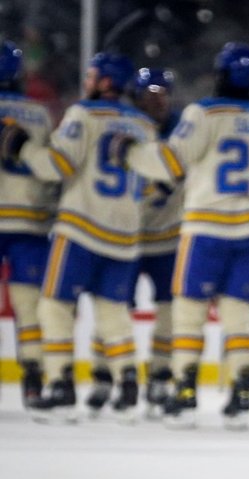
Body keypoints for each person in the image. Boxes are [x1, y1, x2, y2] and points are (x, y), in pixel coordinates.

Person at [112, 42, 249, 429]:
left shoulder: (203, 113)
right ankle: (241, 390)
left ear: (221, 73)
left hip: (206, 225)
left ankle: (185, 390)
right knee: (238, 312)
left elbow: (170, 161)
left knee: (189, 311)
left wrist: (130, 153)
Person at [1, 52, 155, 423]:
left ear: (104, 81)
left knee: (53, 306)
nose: (86, 81)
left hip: (81, 226)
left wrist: (22, 147)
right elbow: (150, 184)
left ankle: (61, 385)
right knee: (112, 310)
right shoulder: (145, 125)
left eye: (91, 76)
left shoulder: (82, 114)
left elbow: (57, 166)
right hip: (125, 232)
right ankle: (129, 382)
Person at [0, 40, 55, 407]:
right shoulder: (40, 113)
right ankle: (34, 379)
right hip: (32, 221)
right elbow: (53, 169)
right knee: (29, 306)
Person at [132, 67, 183, 418]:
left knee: (168, 315)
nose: (158, 100)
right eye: (150, 93)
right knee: (114, 311)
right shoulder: (126, 128)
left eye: (162, 93)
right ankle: (109, 378)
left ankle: (161, 377)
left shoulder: (183, 130)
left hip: (167, 240)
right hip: (127, 241)